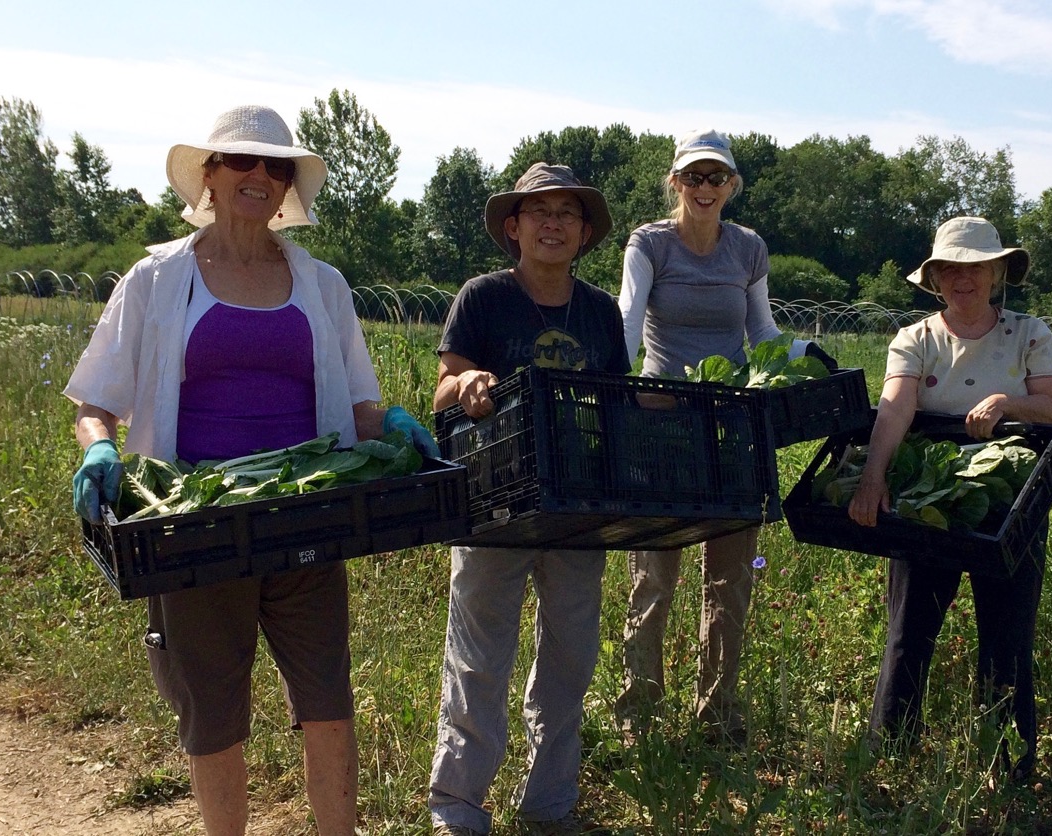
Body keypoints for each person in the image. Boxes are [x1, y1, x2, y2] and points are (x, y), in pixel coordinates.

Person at [65, 105, 437, 836]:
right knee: (214, 713)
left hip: (306, 518)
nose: (259, 176)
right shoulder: (158, 278)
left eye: (276, 167)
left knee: (329, 703)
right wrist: (98, 448)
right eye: (242, 161)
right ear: (209, 176)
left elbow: (360, 406)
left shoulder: (322, 284)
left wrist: (392, 424)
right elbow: (95, 398)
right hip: (196, 529)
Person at [615, 128, 836, 748]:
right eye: (694, 177)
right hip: (662, 425)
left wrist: (800, 354)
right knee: (654, 576)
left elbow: (761, 331)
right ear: (675, 182)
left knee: (729, 577)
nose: (705, 187)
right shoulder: (650, 244)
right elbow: (629, 318)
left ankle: (717, 712)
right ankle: (639, 715)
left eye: (717, 178)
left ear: (732, 185)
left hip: (731, 427)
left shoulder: (748, 248)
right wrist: (617, 383)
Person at [428, 163, 629, 836]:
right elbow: (442, 389)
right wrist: (469, 384)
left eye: (566, 213)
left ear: (583, 232)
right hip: (495, 504)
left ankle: (549, 805)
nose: (552, 223)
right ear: (513, 228)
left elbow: (619, 403)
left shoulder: (600, 312)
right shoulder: (483, 298)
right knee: (479, 660)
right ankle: (459, 809)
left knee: (569, 661)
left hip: (579, 507)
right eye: (538, 211)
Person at [847, 216, 1052, 781]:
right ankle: (890, 760)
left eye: (974, 267)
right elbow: (896, 406)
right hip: (932, 495)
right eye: (949, 269)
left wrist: (1005, 403)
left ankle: (1008, 768)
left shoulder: (1028, 333)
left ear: (997, 273)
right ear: (935, 278)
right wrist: (874, 474)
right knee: (908, 632)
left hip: (1009, 498)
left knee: (1007, 635)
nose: (961, 278)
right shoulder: (917, 338)